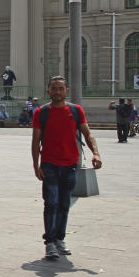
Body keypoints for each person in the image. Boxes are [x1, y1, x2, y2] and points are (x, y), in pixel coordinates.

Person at [32, 76, 102, 260]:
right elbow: (35, 140)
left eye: (61, 88)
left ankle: (59, 239)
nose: (57, 92)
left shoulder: (75, 110)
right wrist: (35, 164)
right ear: (48, 91)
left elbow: (88, 133)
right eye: (54, 88)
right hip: (49, 165)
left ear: (66, 91)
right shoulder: (41, 112)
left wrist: (96, 153)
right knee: (51, 203)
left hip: (70, 165)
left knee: (64, 204)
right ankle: (49, 243)